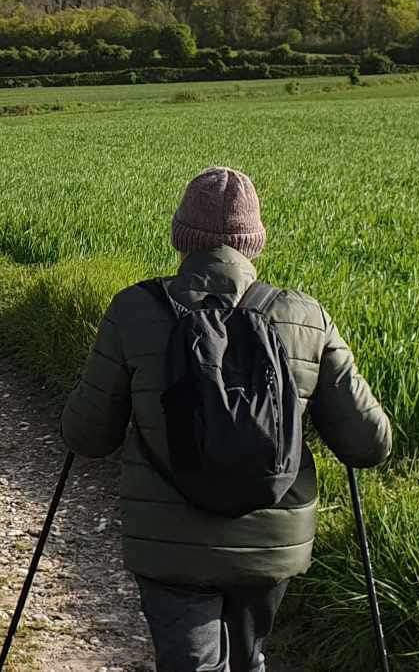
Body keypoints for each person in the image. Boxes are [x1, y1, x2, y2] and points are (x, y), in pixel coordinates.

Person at [59, 167, 392, 672]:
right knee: (248, 657)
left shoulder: (134, 310)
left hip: (168, 545)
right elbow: (369, 444)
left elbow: (87, 436)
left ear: (182, 239)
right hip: (270, 545)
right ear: (252, 242)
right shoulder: (305, 316)